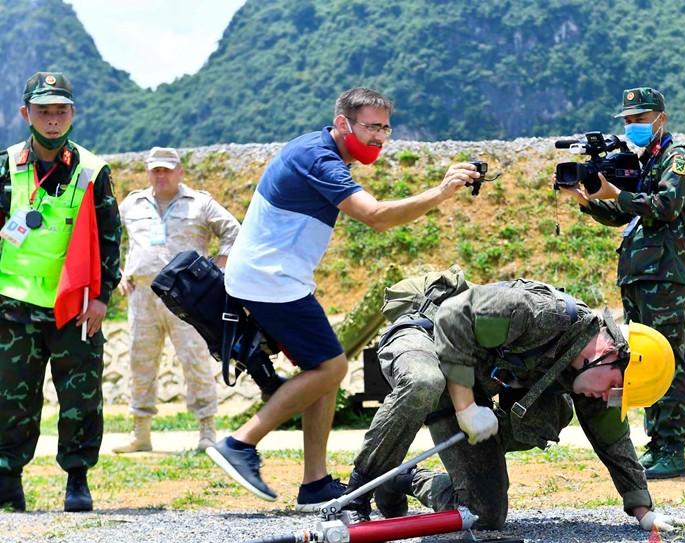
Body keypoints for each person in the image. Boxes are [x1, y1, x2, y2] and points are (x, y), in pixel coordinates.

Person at [205, 87, 482, 512]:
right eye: (371, 127)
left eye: (385, 128)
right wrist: (442, 191)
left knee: (324, 370)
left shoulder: (317, 151)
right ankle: (240, 443)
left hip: (278, 279)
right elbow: (375, 216)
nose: (380, 137)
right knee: (332, 367)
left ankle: (314, 483)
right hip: (270, 281)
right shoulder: (320, 159)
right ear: (342, 123)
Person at [344, 275, 685, 533]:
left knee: (485, 514)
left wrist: (644, 511)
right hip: (426, 334)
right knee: (425, 381)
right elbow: (453, 319)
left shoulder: (589, 373)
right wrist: (467, 409)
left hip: (462, 382)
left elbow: (613, 439)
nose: (609, 397)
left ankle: (402, 479)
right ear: (609, 352)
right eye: (615, 388)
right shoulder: (543, 313)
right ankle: (354, 497)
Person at [556, 87, 685, 480]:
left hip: (664, 276)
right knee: (645, 360)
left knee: (669, 361)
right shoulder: (647, 161)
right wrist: (587, 201)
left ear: (660, 119)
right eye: (629, 121)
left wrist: (618, 194)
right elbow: (625, 215)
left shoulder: (677, 158)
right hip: (639, 275)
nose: (633, 126)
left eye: (639, 119)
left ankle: (672, 449)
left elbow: (665, 206)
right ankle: (658, 445)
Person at [0, 72, 121, 512]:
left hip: (74, 305)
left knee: (80, 396)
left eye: (60, 111)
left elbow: (110, 237)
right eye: (43, 111)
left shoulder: (92, 170)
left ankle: (77, 480)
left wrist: (102, 297)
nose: (52, 119)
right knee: (10, 397)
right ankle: (7, 481)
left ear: (73, 113)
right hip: (13, 305)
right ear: (25, 113)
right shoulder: (5, 165)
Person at [113, 147, 241, 454]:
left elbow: (234, 231)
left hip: (188, 298)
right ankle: (140, 433)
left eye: (167, 170)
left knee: (195, 359)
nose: (161, 175)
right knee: (140, 363)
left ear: (179, 172)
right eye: (156, 170)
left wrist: (217, 266)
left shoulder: (199, 203)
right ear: (147, 172)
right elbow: (107, 237)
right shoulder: (131, 204)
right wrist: (117, 272)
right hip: (142, 295)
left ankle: (207, 431)